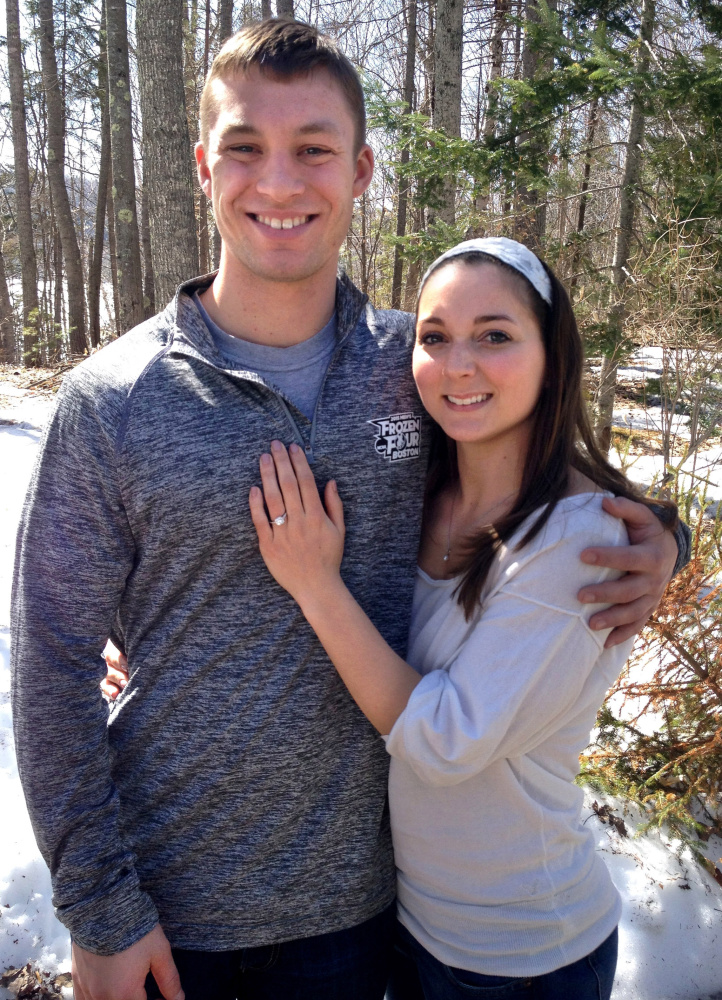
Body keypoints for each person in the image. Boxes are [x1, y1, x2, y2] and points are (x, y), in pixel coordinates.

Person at [11, 18, 684, 1000]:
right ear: (203, 166)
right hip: (170, 919)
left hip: (366, 921)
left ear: (361, 169)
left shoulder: (414, 369)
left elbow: (540, 467)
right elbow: (51, 670)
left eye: (313, 149)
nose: (278, 181)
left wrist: (658, 529)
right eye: (245, 147)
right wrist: (101, 909)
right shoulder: (112, 400)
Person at [247, 237, 680, 1000]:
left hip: (525, 953)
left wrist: (316, 586)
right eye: (435, 337)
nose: (458, 365)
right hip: (411, 926)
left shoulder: (576, 538)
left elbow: (446, 740)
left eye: (496, 336)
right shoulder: (419, 487)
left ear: (553, 353)